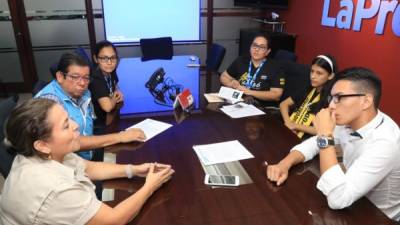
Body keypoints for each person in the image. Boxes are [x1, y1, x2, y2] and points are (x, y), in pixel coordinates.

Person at [0, 98, 174, 225]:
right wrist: (150, 186)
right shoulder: (55, 189)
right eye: (66, 125)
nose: (75, 125)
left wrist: (134, 170)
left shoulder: (46, 153)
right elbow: (114, 220)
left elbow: (88, 168)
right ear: (42, 145)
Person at [266, 67, 400, 221]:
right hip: (351, 196)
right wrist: (284, 164)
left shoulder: (386, 142)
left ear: (366, 101)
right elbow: (312, 145)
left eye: (339, 97)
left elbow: (338, 199)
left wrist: (324, 134)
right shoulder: (351, 119)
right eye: (332, 98)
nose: (331, 106)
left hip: (377, 216)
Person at [35, 52, 145, 161]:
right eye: (75, 77)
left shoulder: (84, 92)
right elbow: (71, 141)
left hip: (88, 153)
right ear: (60, 76)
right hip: (70, 165)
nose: (82, 83)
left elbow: (89, 125)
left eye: (86, 78)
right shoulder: (50, 102)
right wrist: (119, 137)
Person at [280, 55, 337, 139]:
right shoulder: (308, 88)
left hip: (309, 140)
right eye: (312, 71)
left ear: (330, 76)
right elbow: (283, 104)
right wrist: (288, 122)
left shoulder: (331, 99)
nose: (313, 76)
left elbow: (323, 130)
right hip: (290, 132)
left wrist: (295, 126)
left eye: (319, 73)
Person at [220, 33, 285, 107]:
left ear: (267, 51)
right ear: (250, 47)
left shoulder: (275, 67)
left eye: (262, 47)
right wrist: (231, 83)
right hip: (239, 102)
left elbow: (276, 95)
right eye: (255, 45)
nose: (256, 49)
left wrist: (249, 92)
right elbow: (223, 76)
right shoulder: (241, 60)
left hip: (262, 107)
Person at [89, 40, 123, 127]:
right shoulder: (96, 79)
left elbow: (115, 84)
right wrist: (115, 98)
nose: (109, 62)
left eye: (113, 58)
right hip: (97, 123)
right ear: (96, 59)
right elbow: (107, 107)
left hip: (108, 117)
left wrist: (117, 91)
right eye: (104, 58)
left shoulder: (110, 70)